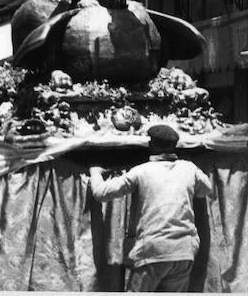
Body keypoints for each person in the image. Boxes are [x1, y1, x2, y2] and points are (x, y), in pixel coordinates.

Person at [89, 124, 213, 292]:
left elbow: (101, 193)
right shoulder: (189, 168)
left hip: (152, 250)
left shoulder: (141, 171)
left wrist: (95, 172)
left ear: (151, 145)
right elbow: (206, 189)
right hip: (183, 251)